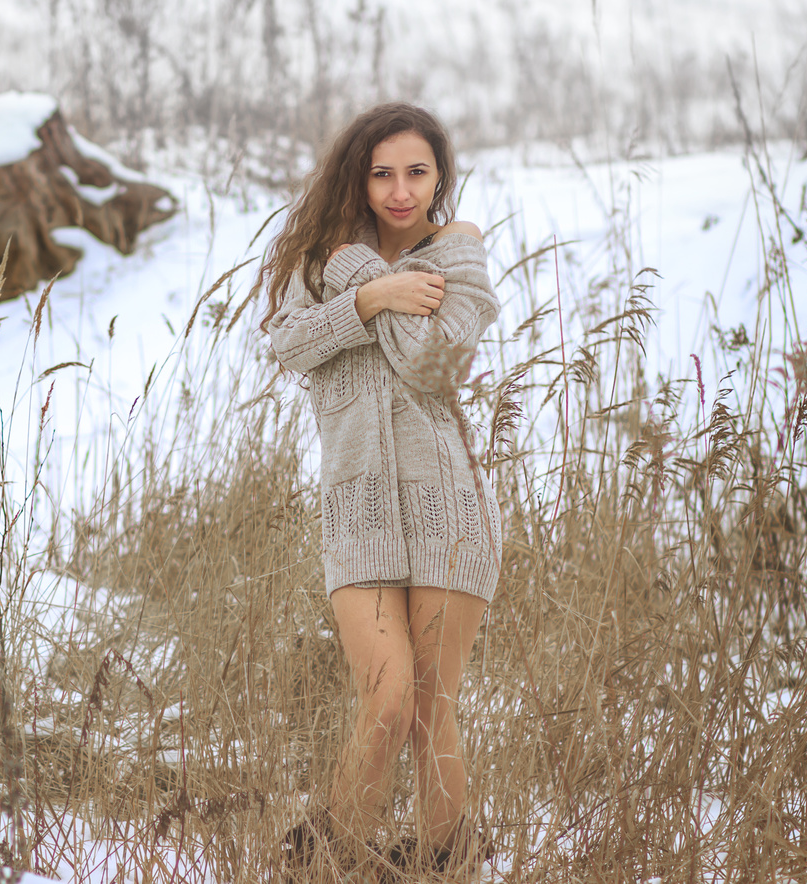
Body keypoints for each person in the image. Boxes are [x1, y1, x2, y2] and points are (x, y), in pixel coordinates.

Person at [257, 101, 501, 881]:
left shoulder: (458, 254)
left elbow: (433, 367)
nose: (401, 191)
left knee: (431, 709)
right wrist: (372, 294)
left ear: (440, 176)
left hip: (450, 510)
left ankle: (448, 862)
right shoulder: (322, 261)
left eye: (417, 172)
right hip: (356, 514)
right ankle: (326, 857)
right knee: (389, 697)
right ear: (357, 179)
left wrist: (363, 280)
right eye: (382, 174)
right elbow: (289, 345)